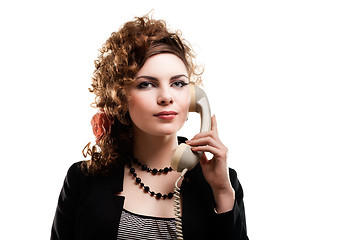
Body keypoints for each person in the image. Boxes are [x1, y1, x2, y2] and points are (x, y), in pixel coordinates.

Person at [51, 14, 249, 240]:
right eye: (146, 84)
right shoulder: (83, 179)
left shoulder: (223, 182)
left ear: (193, 99)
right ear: (120, 97)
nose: (166, 96)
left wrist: (222, 193)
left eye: (178, 83)